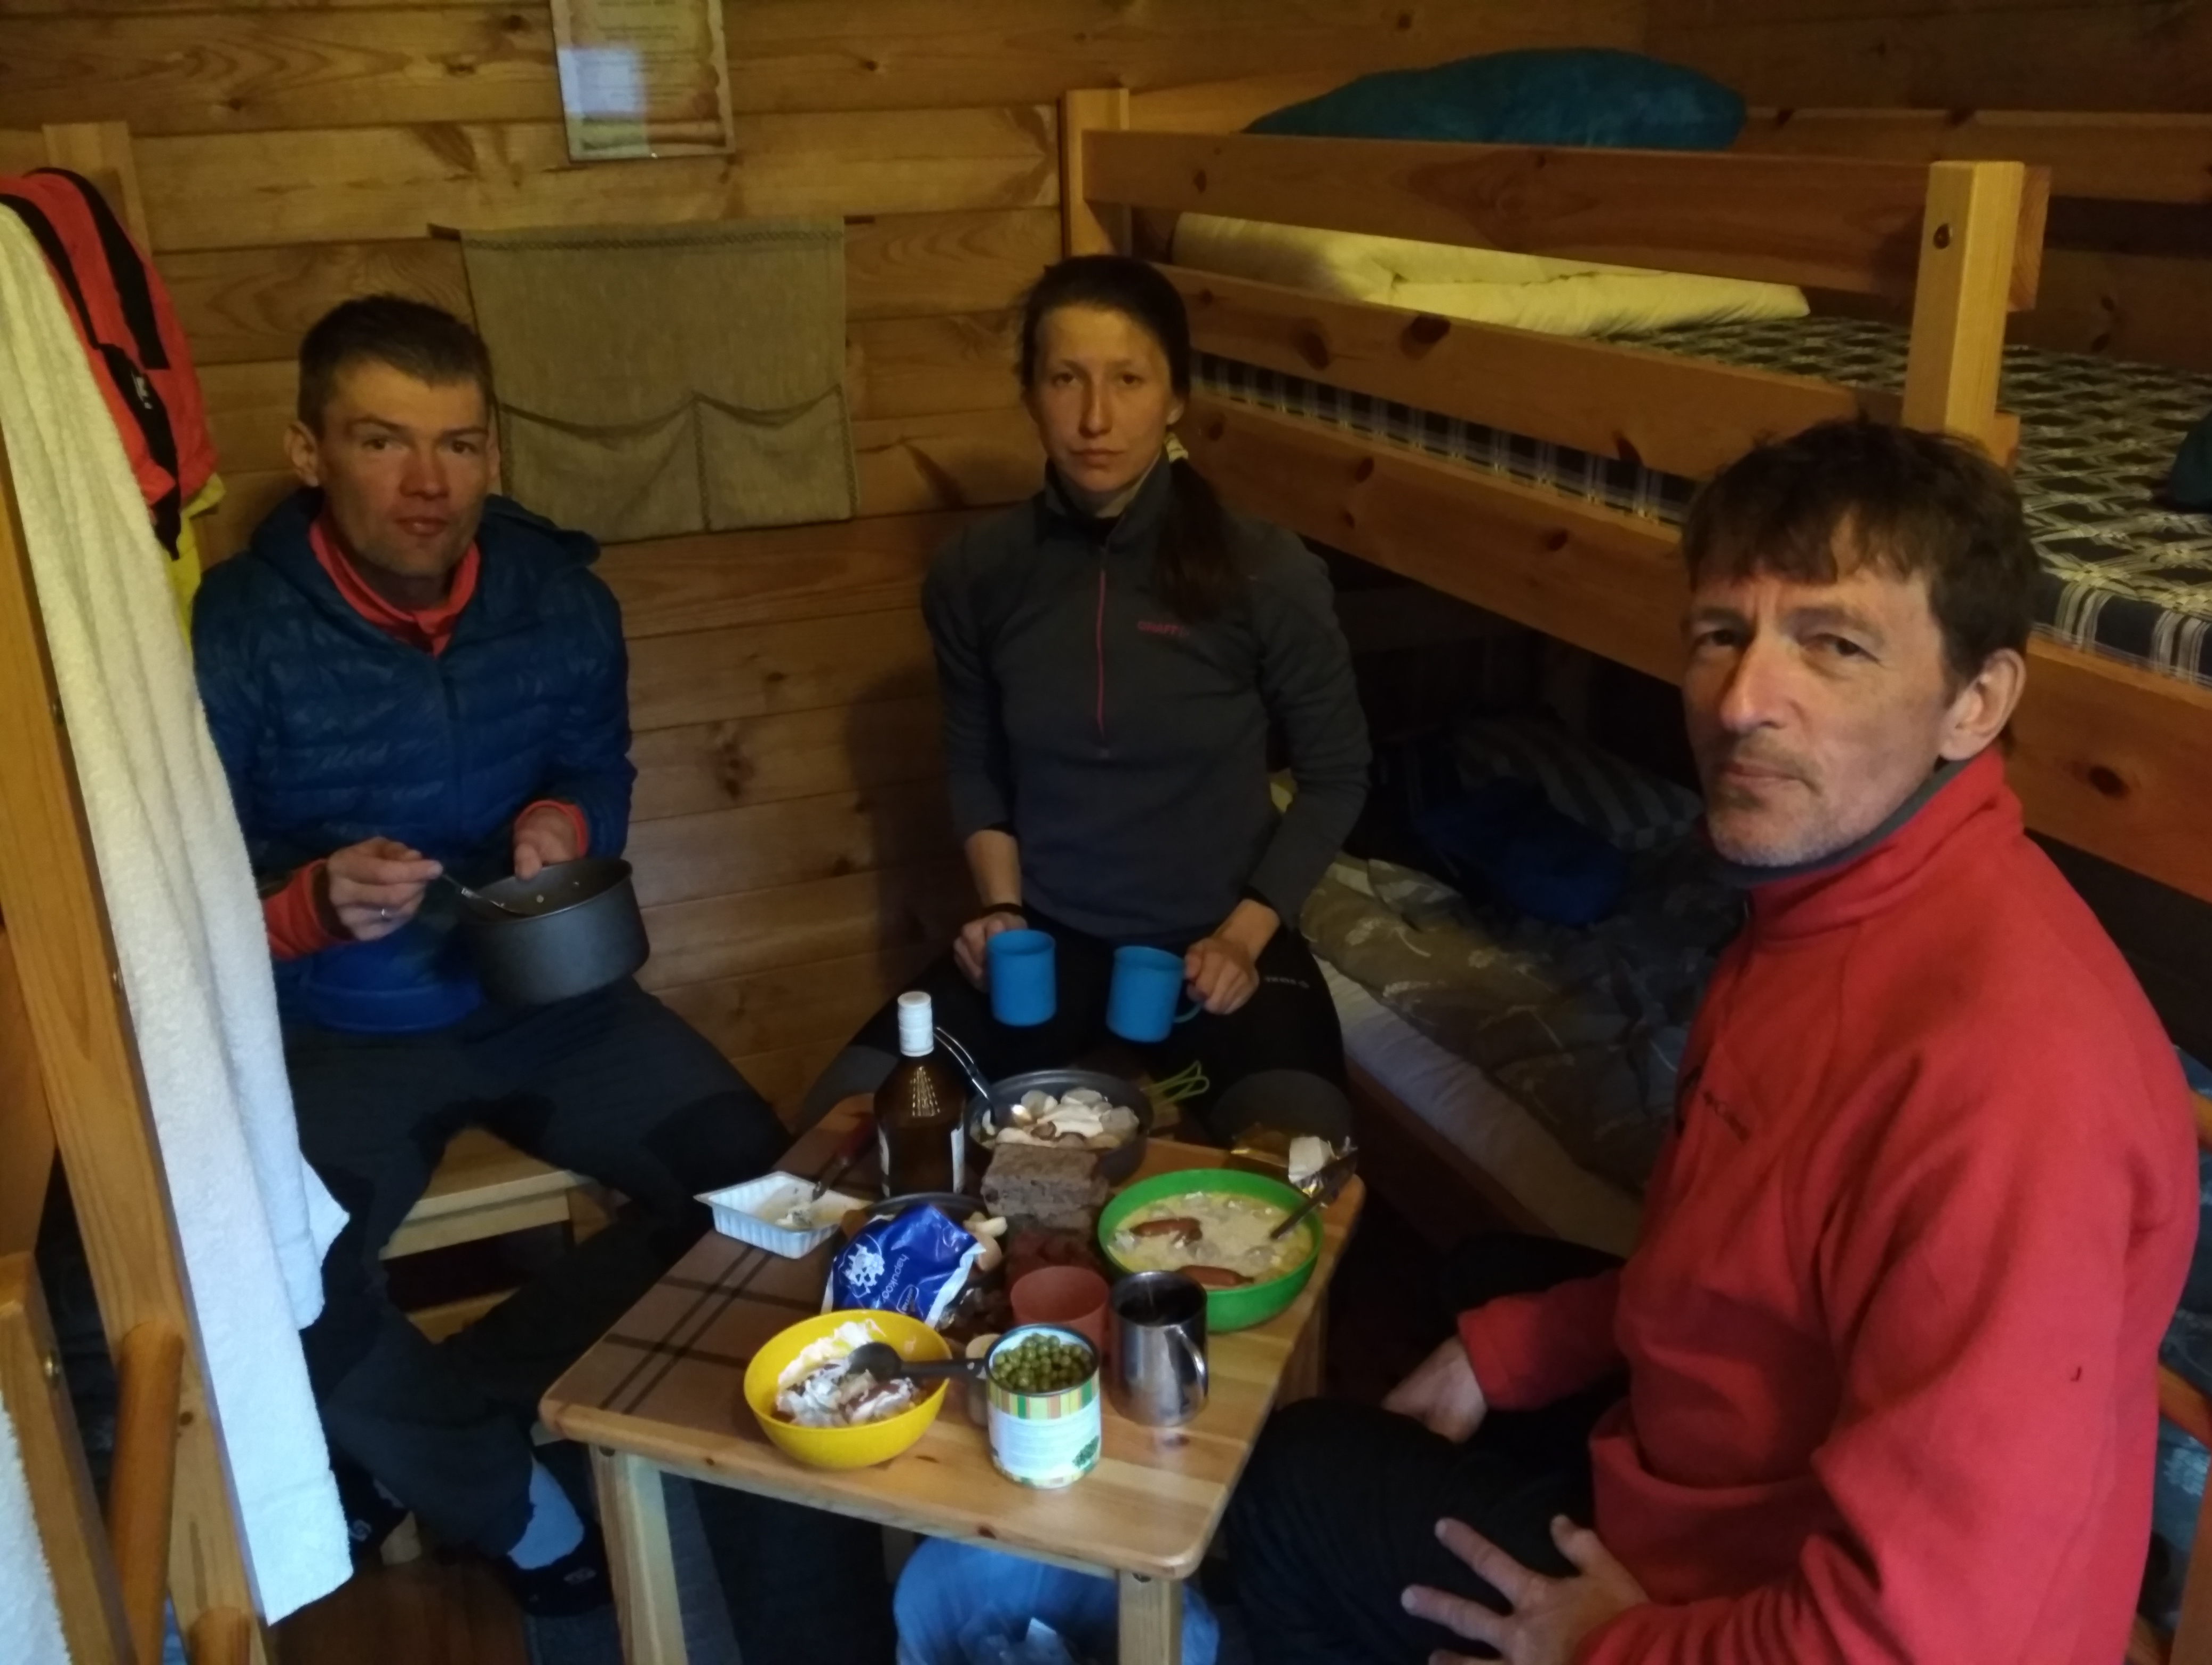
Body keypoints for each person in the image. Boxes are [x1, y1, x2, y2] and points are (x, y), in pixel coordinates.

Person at [1227, 418, 2200, 1663]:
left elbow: (1935, 1641)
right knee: (1483, 1281)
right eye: (1720, 634)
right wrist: (1504, 1352)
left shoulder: (2010, 1087)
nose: (1741, 703)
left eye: (1833, 644)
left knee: (1289, 1488)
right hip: (1738, 1495)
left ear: (1975, 702)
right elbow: (1722, 1267)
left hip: (1789, 1618)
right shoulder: (1816, 912)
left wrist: (1607, 1645)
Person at [192, 296, 894, 1656]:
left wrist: (566, 828)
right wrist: (307, 906)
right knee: (275, 1276)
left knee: (768, 1200)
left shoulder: (555, 596)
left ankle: (776, 1594)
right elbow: (188, 864)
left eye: (458, 445)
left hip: (546, 1000)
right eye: (383, 441)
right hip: (342, 1028)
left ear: (493, 456)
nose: (427, 482)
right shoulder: (240, 627)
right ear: (309, 451)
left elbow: (593, 764)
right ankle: (524, 1517)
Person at [803, 255, 1371, 1143]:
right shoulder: (977, 573)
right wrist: (1000, 913)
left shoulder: (1264, 571)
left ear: (1175, 397)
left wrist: (1244, 937)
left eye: (1128, 380)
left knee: (1302, 1164)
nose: (1095, 418)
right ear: (1030, 394)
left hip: (1209, 949)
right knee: (845, 1126)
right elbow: (977, 759)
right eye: (1066, 379)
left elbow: (1337, 775)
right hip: (1047, 944)